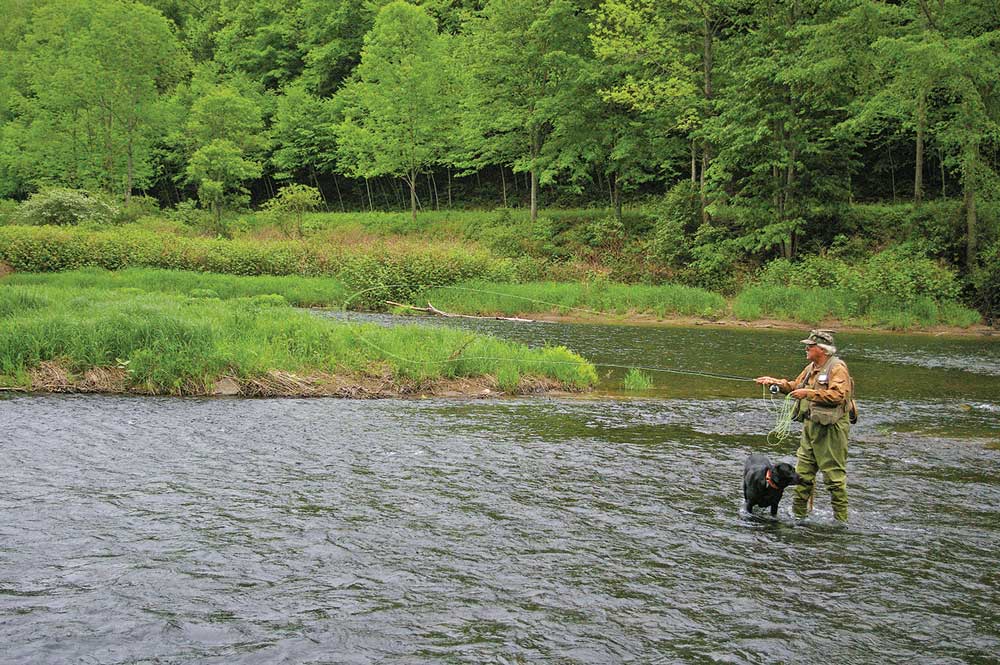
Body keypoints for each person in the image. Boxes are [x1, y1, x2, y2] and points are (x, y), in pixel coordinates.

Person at [755, 329, 856, 522]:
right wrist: (773, 382)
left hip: (831, 431)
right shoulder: (811, 367)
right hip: (810, 429)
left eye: (810, 346)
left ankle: (841, 523)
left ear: (822, 350)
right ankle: (798, 518)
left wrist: (808, 394)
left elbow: (838, 395)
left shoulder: (837, 367)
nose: (806, 348)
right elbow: (795, 386)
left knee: (834, 480)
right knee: (802, 477)